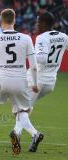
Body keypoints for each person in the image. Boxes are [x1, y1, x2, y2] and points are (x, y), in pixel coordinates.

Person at [0, 9, 42, 155]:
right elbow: (33, 66)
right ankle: (34, 133)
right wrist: (34, 83)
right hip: (20, 80)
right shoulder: (26, 38)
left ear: (1, 21)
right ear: (14, 21)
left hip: (0, 79)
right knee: (22, 110)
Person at [24, 11, 68, 151]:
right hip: (50, 83)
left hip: (36, 80)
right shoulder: (64, 36)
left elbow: (41, 59)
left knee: (18, 110)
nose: (36, 25)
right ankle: (17, 132)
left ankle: (34, 134)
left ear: (44, 23)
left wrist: (31, 55)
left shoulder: (42, 38)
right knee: (24, 108)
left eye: (38, 22)